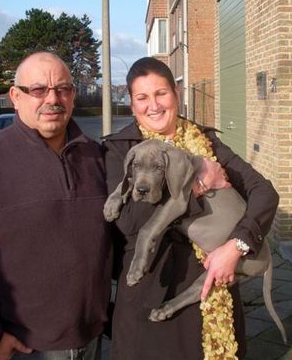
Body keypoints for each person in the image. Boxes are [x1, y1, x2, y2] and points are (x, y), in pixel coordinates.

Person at [0, 52, 111, 360]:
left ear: (72, 95)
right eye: (38, 90)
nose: (52, 99)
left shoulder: (96, 157)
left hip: (92, 339)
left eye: (63, 89)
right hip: (24, 347)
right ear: (15, 97)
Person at [102, 57, 279, 360]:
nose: (153, 105)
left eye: (161, 93)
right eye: (142, 97)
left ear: (177, 94)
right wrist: (197, 187)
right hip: (150, 291)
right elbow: (130, 221)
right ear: (132, 104)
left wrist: (235, 247)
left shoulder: (206, 143)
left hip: (210, 287)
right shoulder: (120, 149)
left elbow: (264, 193)